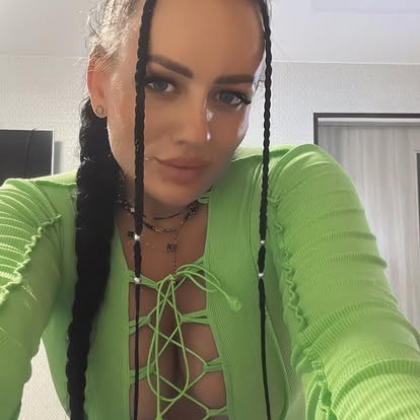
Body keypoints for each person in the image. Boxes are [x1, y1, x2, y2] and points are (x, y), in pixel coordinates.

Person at [1, 0, 420, 419]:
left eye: (230, 96)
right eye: (161, 83)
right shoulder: (35, 213)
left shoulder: (290, 185)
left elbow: (364, 343)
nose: (197, 131)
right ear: (98, 84)